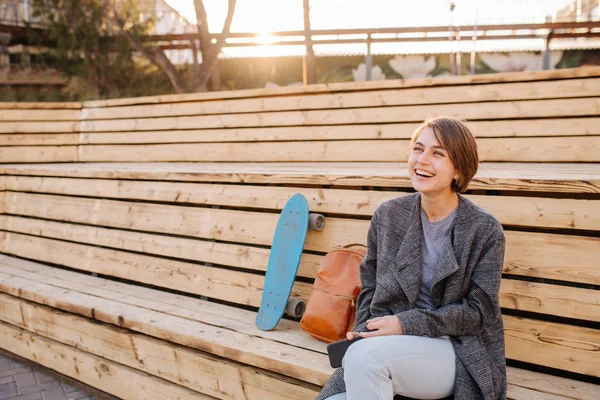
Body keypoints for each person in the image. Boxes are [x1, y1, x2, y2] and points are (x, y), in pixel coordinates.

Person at [316, 116, 507, 400]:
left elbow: (479, 313)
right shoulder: (389, 215)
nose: (422, 160)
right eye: (418, 149)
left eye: (438, 153)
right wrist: (363, 333)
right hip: (391, 344)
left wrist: (407, 323)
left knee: (366, 360)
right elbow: (369, 287)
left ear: (459, 170)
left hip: (455, 349)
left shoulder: (484, 229)